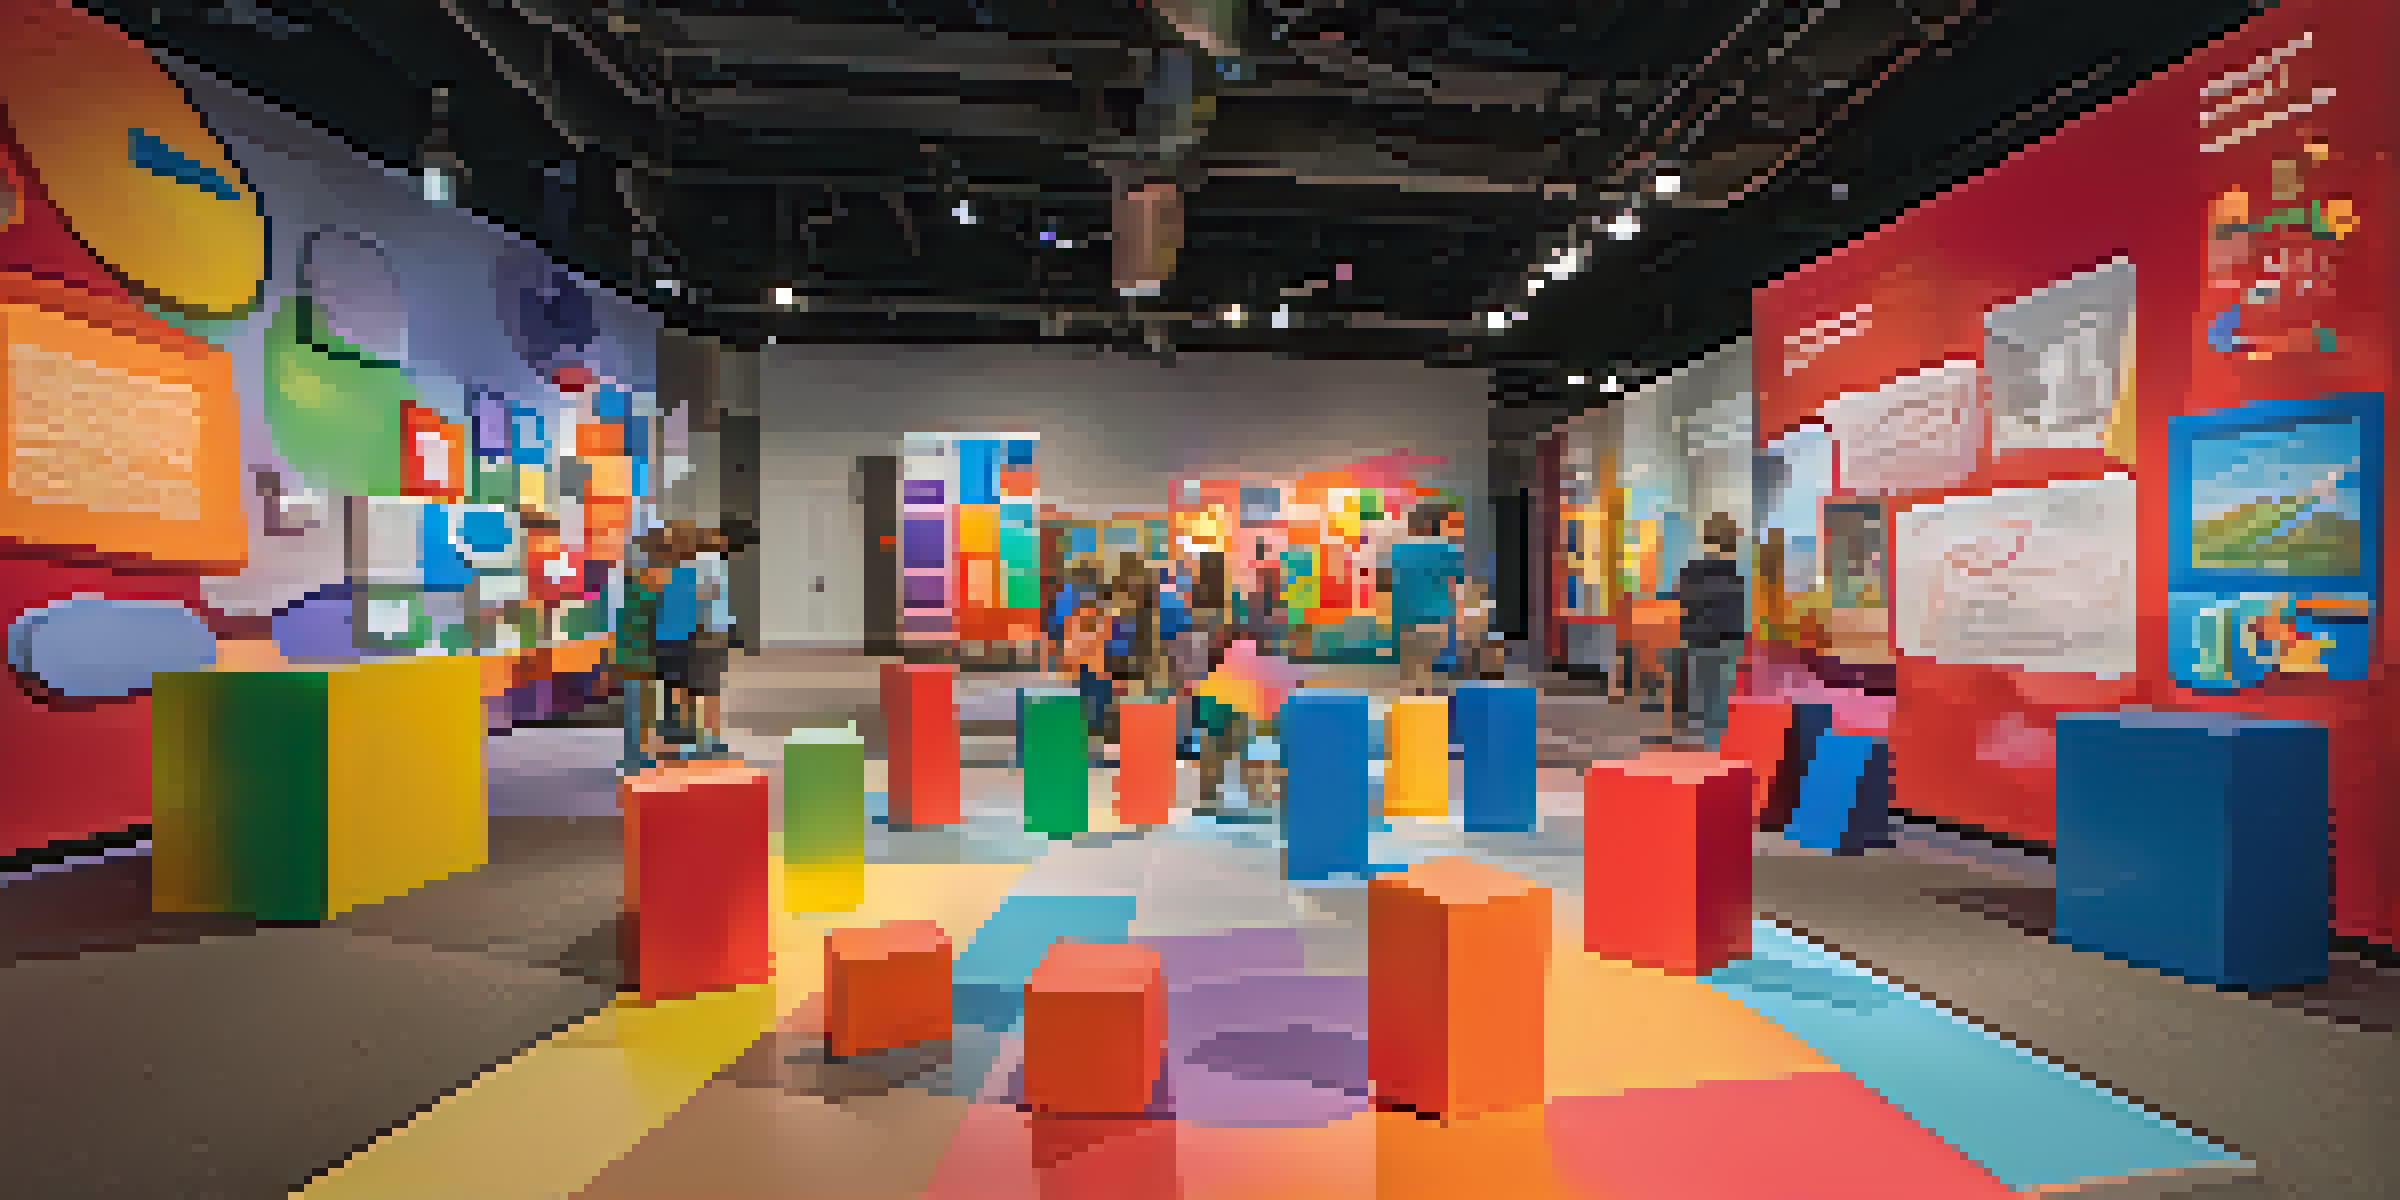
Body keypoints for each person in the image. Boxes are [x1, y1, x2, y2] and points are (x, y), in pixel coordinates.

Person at [1675, 512, 1750, 747]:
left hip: (1697, 641)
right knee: (1719, 702)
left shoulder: (1690, 571)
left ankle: (1700, 749)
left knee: (1700, 700)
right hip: (1725, 644)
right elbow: (1737, 616)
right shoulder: (1735, 574)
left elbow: (1686, 605)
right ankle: (1715, 749)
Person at [1388, 501, 1467, 696]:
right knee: (1432, 677)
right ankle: (1433, 714)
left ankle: (1413, 716)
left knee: (1410, 678)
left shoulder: (1399, 551)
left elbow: (1394, 589)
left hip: (1405, 622)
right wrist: (1459, 622)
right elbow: (1457, 589)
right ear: (1437, 524)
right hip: (1437, 620)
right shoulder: (1449, 551)